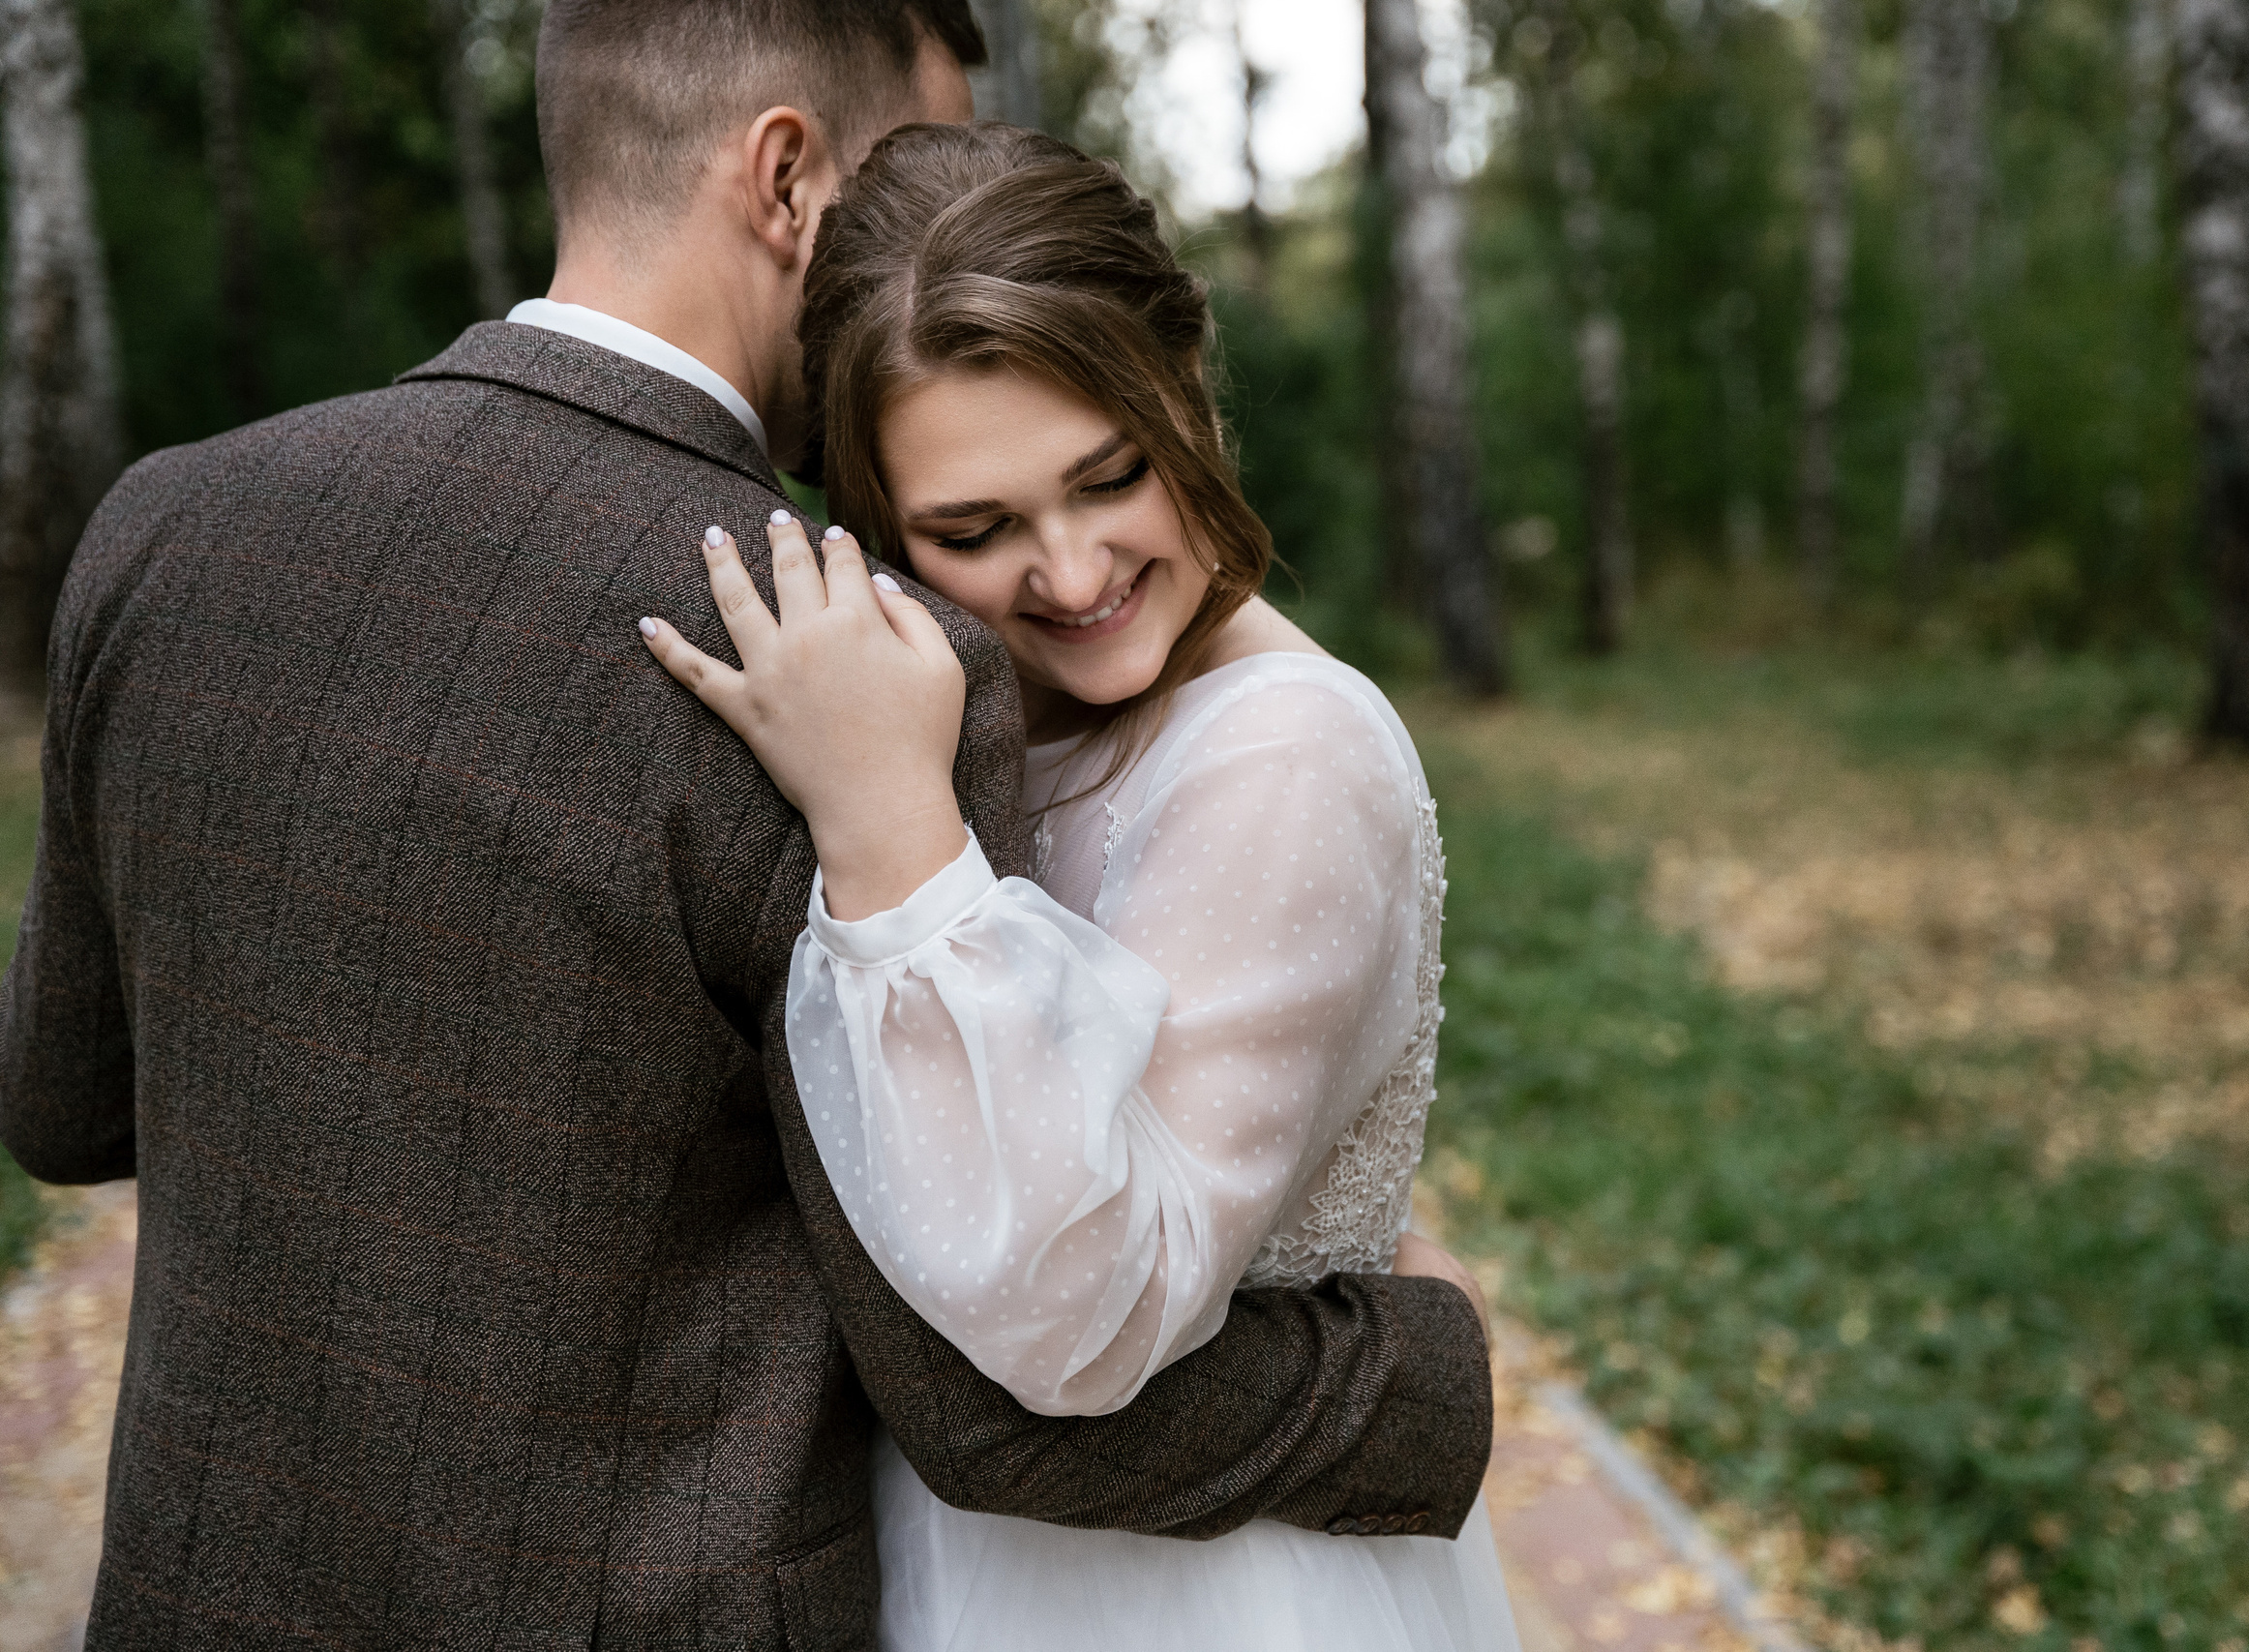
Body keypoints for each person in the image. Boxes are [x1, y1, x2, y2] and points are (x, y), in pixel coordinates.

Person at [0, 5, 1491, 1647]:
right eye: (903, 174)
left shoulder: (164, 528)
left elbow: (67, 1109)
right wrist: (1418, 1378)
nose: (933, 233)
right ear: (789, 180)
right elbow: (992, 1405)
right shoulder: (826, 655)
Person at [637, 121, 1523, 1651]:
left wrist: (889, 832)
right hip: (966, 1555)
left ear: (1187, 386)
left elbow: (1093, 1316)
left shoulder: (1282, 751)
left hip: (1193, 1592)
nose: (1068, 574)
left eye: (1109, 477)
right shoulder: (1005, 711)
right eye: (972, 531)